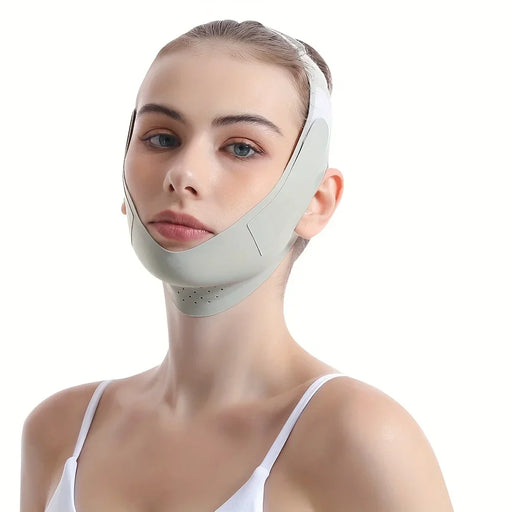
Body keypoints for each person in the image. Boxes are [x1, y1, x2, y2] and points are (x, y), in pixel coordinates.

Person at [21, 20, 454, 512]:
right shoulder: (59, 432)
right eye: (161, 138)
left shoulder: (361, 438)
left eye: (241, 147)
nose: (182, 173)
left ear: (316, 201)